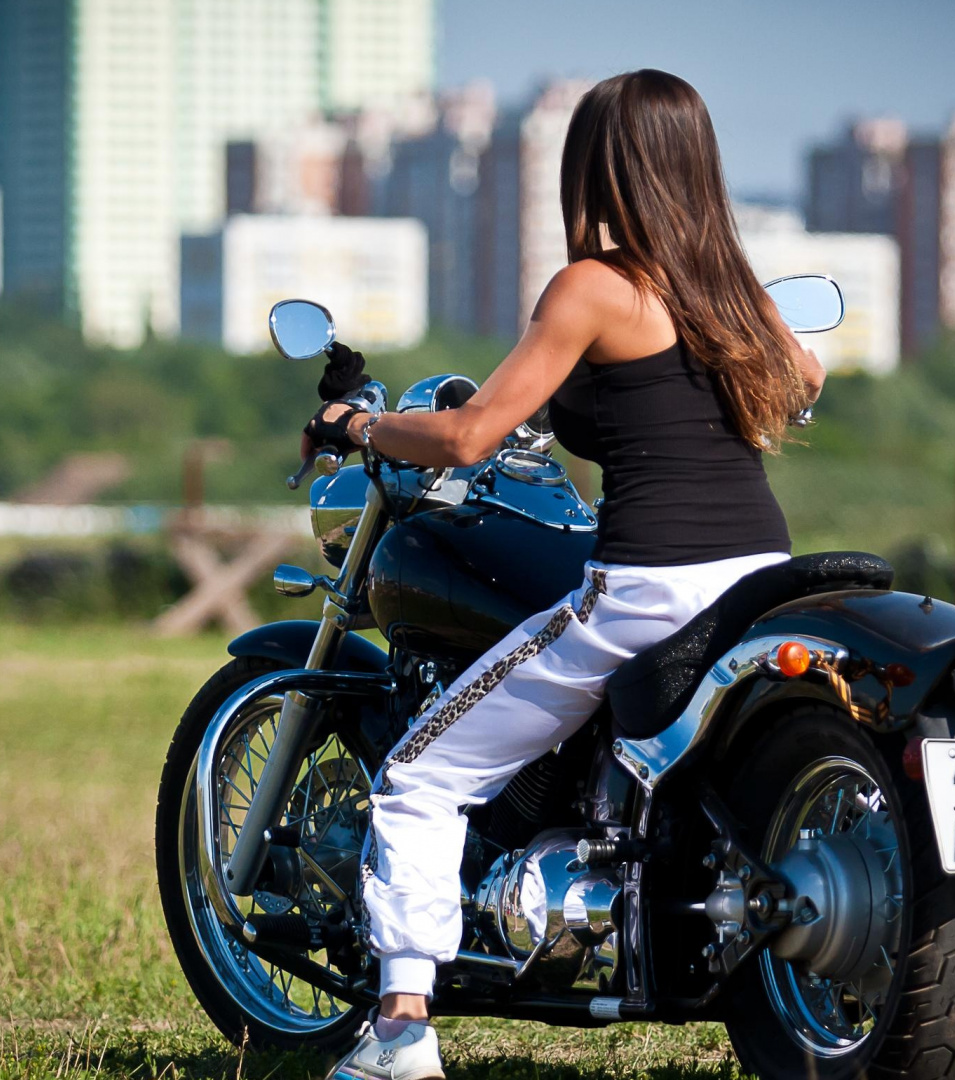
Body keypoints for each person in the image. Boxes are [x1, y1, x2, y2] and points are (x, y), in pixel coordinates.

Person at [301, 69, 822, 1080]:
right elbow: (805, 379)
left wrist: (359, 424)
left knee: (418, 775)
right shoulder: (731, 288)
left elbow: (467, 434)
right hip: (760, 575)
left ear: (598, 168)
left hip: (643, 591)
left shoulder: (595, 286)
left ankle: (400, 1033)